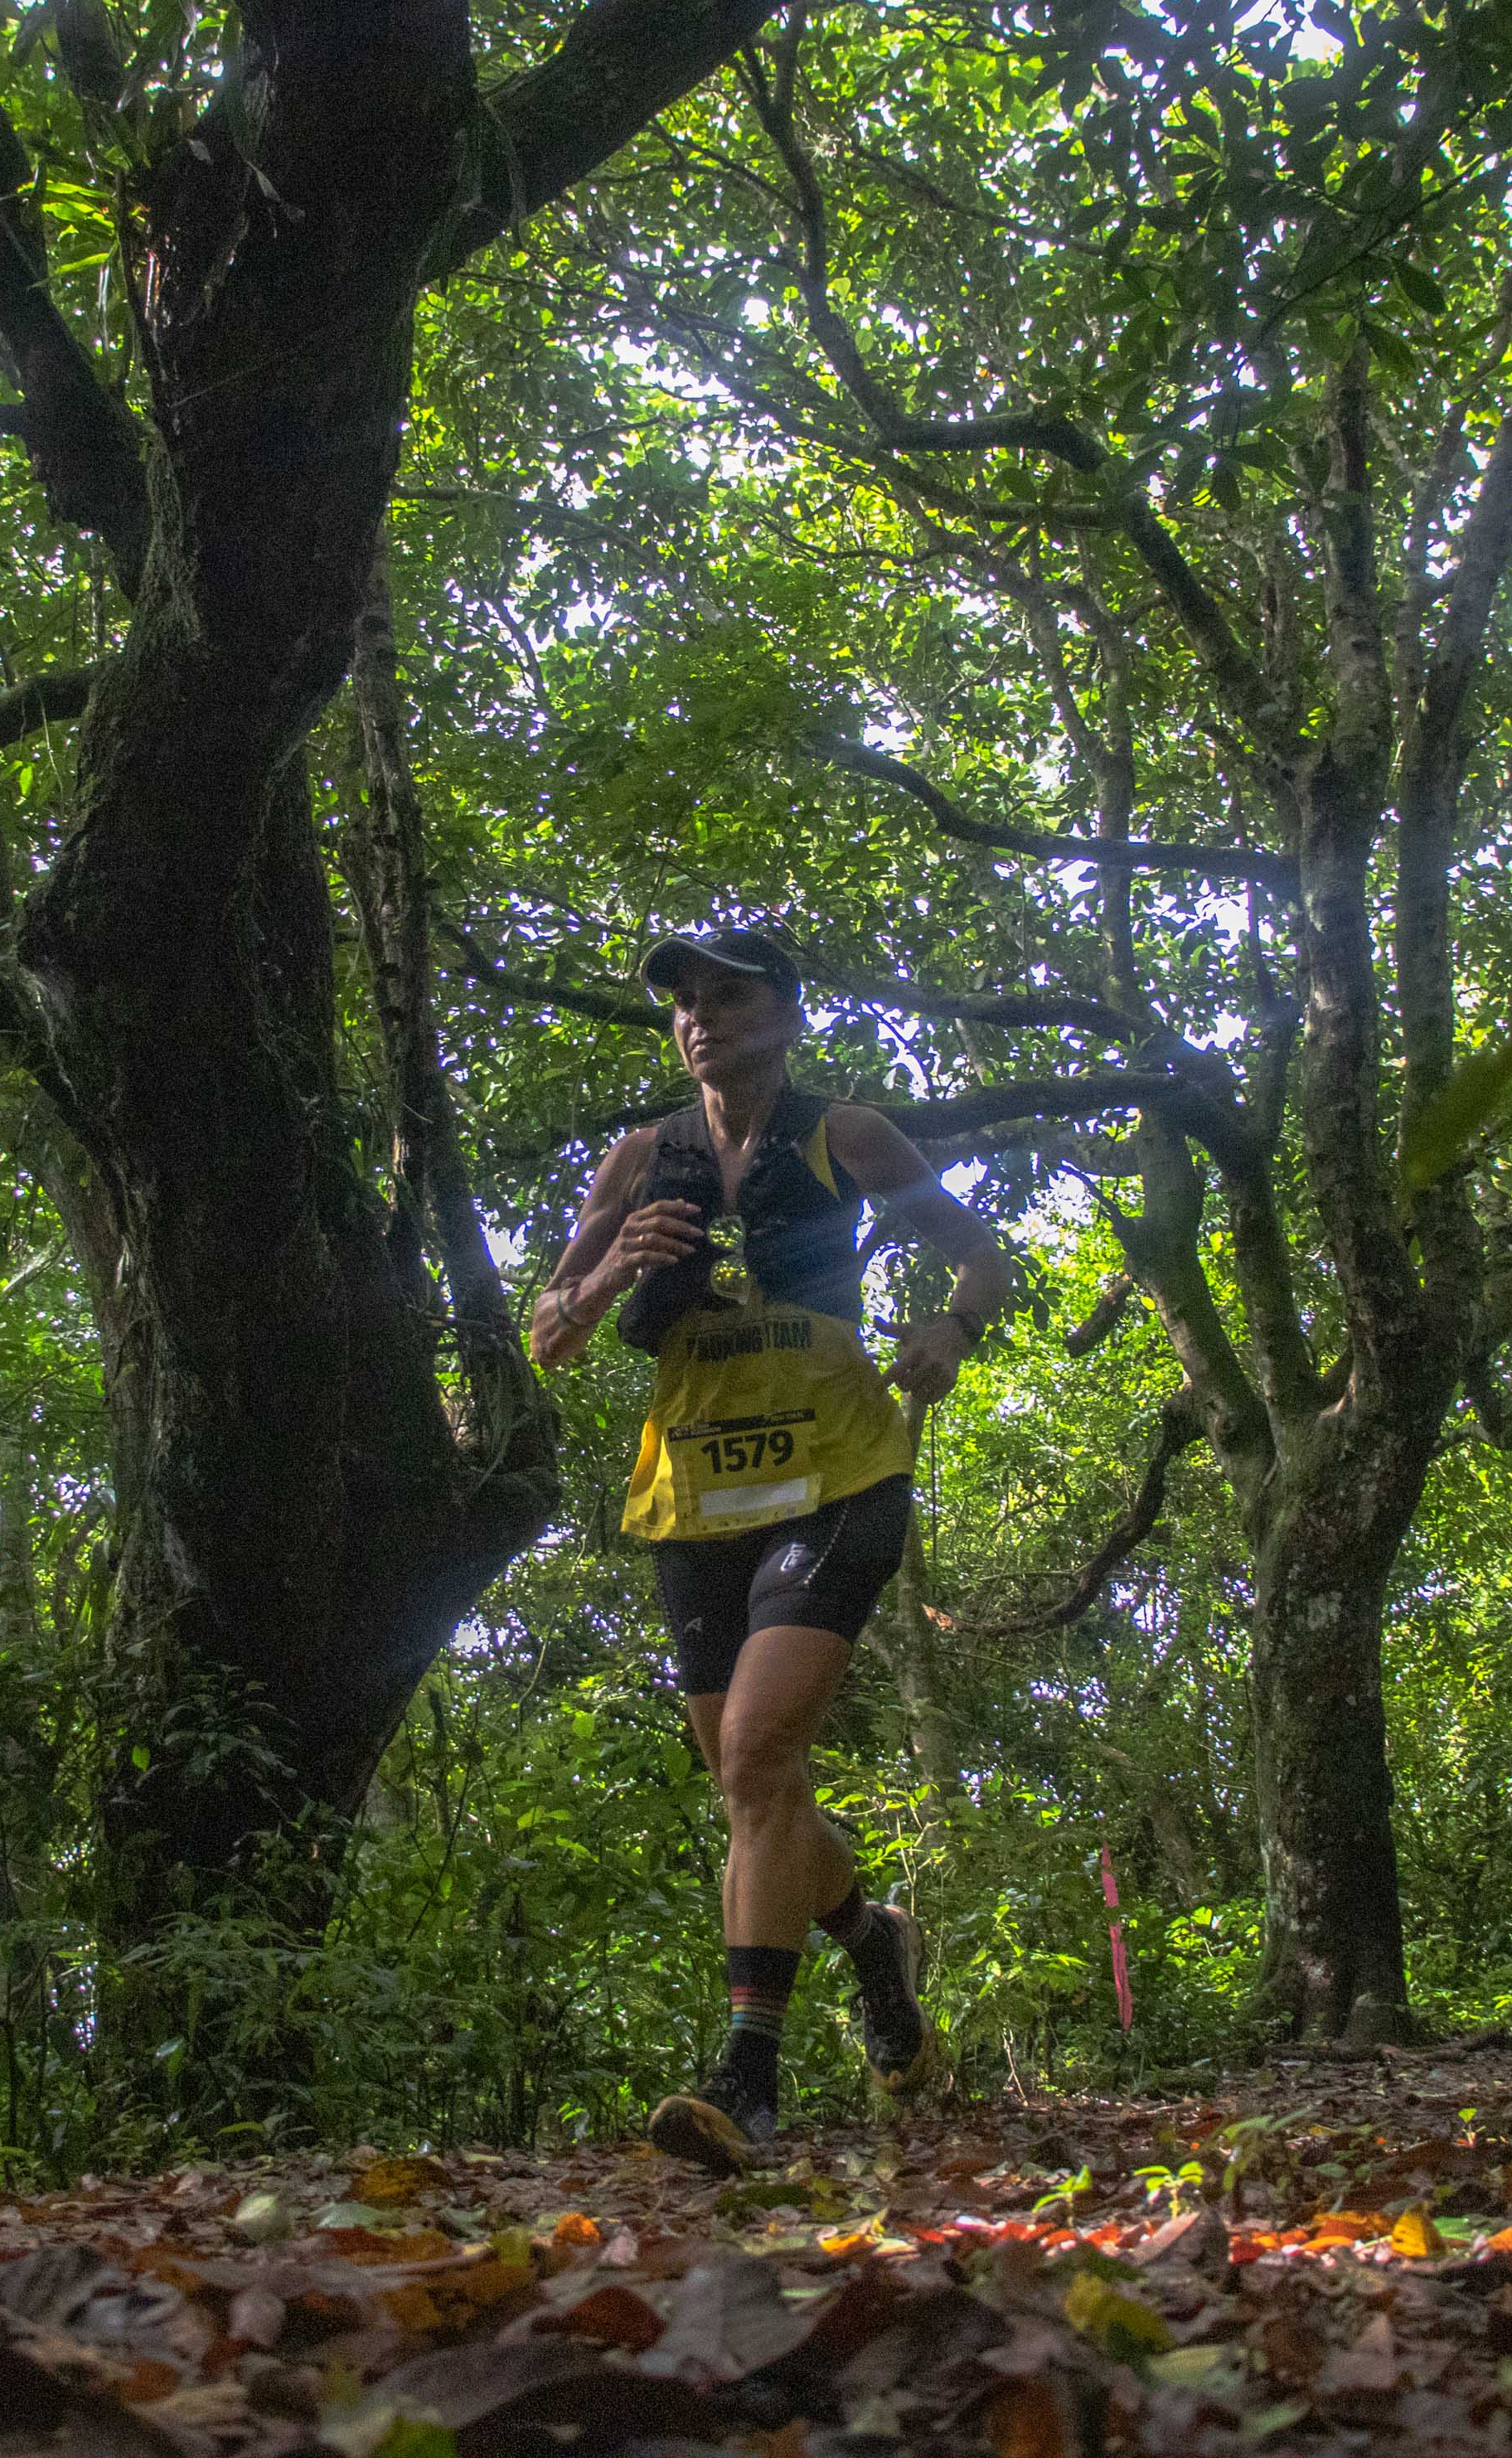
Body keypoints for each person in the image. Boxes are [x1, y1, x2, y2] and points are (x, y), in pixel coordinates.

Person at [531, 927, 1012, 2171]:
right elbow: (547, 1335)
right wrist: (600, 1280)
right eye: (685, 1003)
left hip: (839, 1472)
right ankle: (871, 1940)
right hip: (693, 1494)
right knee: (758, 1786)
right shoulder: (642, 1160)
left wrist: (951, 1333)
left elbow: (977, 1252)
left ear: (786, 1013)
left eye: (728, 995)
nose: (701, 1017)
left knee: (755, 1752)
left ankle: (747, 2080)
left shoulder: (843, 1132)